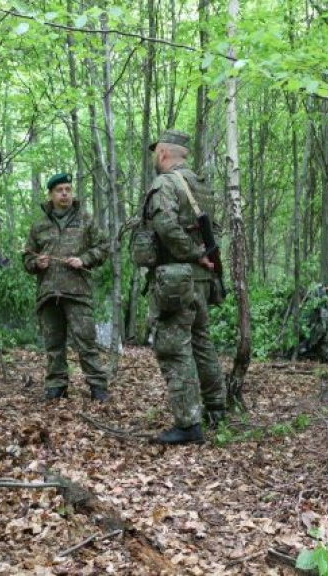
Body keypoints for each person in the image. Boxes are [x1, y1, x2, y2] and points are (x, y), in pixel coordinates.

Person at [138, 129, 227, 444]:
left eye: (155, 152)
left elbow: (165, 226)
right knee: (202, 342)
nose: (154, 157)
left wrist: (193, 253)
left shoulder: (165, 183)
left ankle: (188, 424)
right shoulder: (200, 185)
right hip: (201, 279)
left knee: (174, 348)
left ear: (163, 153)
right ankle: (217, 408)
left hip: (177, 279)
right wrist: (202, 257)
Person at [22, 173, 111, 402]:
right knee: (53, 344)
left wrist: (84, 259)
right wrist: (36, 263)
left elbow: (104, 247)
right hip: (48, 293)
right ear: (51, 195)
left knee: (86, 343)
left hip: (78, 292)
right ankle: (56, 387)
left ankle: (98, 387)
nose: (64, 194)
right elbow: (27, 258)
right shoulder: (39, 226)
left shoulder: (86, 220)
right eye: (59, 190)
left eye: (68, 189)